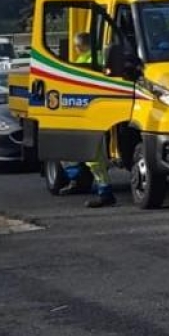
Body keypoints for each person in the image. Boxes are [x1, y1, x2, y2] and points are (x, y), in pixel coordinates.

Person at [60, 31, 116, 208]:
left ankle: (105, 192)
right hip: (102, 111)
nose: (75, 49)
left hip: (89, 113)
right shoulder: (100, 56)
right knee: (96, 156)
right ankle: (103, 190)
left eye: (76, 46)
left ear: (80, 46)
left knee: (94, 158)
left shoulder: (83, 62)